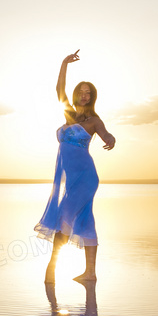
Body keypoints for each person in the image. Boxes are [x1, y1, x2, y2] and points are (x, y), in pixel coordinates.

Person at [35, 50, 116, 283]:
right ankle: (90, 273)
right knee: (86, 221)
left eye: (88, 93)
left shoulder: (94, 121)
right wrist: (63, 63)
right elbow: (59, 91)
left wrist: (111, 139)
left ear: (92, 97)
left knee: (65, 217)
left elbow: (106, 134)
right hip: (72, 181)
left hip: (87, 178)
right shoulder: (70, 117)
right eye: (81, 92)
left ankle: (52, 267)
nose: (84, 96)